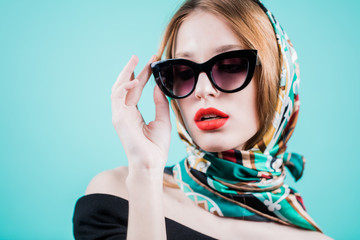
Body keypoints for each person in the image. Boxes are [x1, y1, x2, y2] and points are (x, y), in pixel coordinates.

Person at [73, 0, 331, 239]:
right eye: (183, 72)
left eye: (231, 65)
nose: (202, 90)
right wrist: (145, 172)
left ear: (278, 82)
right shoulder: (118, 195)